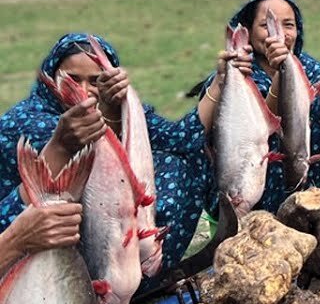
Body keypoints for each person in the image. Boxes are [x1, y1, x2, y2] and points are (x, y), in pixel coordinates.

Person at [0, 33, 210, 273]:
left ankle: (146, 273)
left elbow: (179, 140)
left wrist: (221, 81)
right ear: (50, 77)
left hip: (86, 227)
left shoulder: (119, 105)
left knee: (181, 163)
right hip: (25, 238)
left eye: (95, 81)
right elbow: (98, 179)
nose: (83, 90)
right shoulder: (27, 121)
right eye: (72, 79)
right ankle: (101, 282)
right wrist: (105, 115)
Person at [194, 0, 320, 215]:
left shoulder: (307, 66)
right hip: (256, 192)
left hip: (316, 188)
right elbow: (260, 128)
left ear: (298, 30)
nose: (278, 33)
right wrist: (281, 76)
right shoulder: (234, 74)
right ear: (248, 32)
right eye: (265, 25)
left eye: (288, 24)